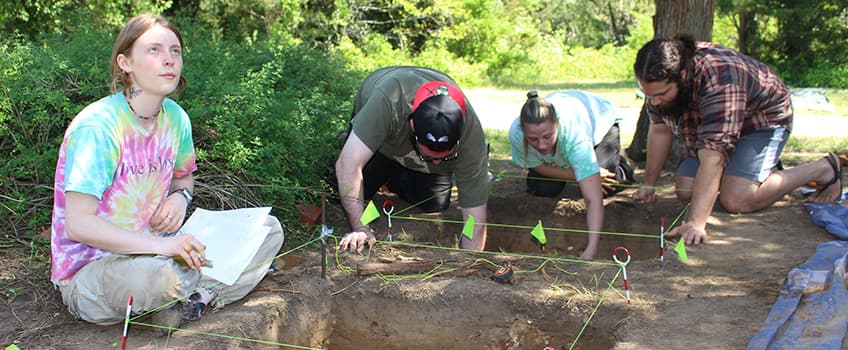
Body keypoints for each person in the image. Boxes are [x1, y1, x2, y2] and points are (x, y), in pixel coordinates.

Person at [50, 14, 284, 327]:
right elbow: (79, 226)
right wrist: (163, 247)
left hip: (161, 248)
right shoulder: (98, 127)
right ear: (125, 63)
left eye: (175, 51)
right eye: (154, 50)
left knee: (268, 230)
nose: (169, 60)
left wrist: (179, 198)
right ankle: (188, 292)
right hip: (97, 270)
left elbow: (184, 178)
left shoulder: (176, 119)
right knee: (163, 277)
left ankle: (195, 301)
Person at [631, 33, 845, 246]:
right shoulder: (659, 85)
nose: (655, 102)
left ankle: (823, 169)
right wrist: (649, 185)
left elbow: (713, 158)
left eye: (662, 94)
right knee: (687, 188)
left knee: (736, 199)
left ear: (683, 74)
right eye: (648, 94)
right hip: (718, 128)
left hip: (762, 121)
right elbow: (660, 130)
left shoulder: (721, 80)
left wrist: (696, 223)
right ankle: (750, 173)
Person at [335, 66, 489, 252]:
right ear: (413, 126)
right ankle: (359, 145)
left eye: (446, 156)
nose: (438, 163)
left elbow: (474, 219)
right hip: (382, 142)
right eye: (429, 156)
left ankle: (396, 176)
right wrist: (360, 229)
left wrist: (469, 259)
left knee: (434, 203)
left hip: (408, 149)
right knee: (350, 190)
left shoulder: (471, 137)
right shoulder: (388, 101)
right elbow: (348, 164)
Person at [509, 90, 634, 260]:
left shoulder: (575, 135)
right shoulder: (517, 134)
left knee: (609, 185)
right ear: (523, 131)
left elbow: (593, 199)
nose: (541, 145)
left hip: (600, 124)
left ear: (557, 125)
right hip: (568, 150)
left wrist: (591, 249)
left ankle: (623, 168)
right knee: (542, 188)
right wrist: (581, 175)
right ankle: (583, 166)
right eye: (533, 139)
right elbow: (537, 165)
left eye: (547, 136)